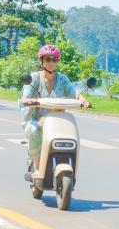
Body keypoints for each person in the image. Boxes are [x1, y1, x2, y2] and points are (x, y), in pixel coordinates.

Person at [19, 45, 91, 175]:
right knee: (35, 130)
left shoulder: (62, 78)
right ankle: (37, 168)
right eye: (48, 59)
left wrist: (83, 100)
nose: (51, 62)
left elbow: (73, 92)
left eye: (54, 60)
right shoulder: (34, 78)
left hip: (57, 120)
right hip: (35, 118)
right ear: (42, 61)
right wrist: (28, 100)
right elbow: (25, 96)